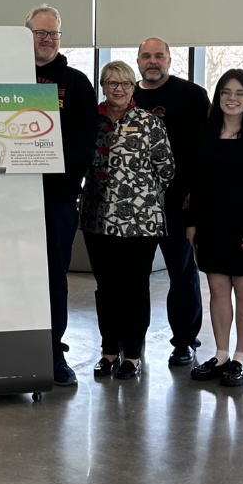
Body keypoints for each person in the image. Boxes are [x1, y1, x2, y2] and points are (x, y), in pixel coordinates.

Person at [81, 60, 175, 380]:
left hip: (140, 223)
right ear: (103, 86)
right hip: (97, 220)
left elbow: (167, 171)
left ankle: (133, 354)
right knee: (106, 288)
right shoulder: (89, 122)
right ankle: (108, 352)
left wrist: (137, 194)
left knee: (134, 288)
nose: (118, 89)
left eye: (125, 84)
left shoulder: (150, 124)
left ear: (133, 87)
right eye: (111, 83)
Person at [187, 69, 243, 387]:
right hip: (212, 225)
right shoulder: (205, 132)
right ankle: (221, 355)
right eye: (226, 92)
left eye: (240, 93)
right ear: (218, 96)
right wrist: (192, 222)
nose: (233, 98)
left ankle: (241, 357)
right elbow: (196, 182)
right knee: (217, 291)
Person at [28, 4, 100, 386]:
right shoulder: (4, 78)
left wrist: (60, 176)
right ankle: (7, 350)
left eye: (53, 33)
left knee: (55, 277)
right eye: (41, 33)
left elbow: (84, 142)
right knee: (11, 275)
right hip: (8, 199)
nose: (47, 40)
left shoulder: (76, 83)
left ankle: (54, 353)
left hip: (56, 200)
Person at [131, 37, 210, 366]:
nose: (153, 61)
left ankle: (185, 340)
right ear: (137, 60)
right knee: (133, 278)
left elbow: (207, 148)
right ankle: (133, 341)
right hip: (133, 208)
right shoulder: (126, 95)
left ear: (169, 60)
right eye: (146, 56)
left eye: (158, 56)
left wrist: (197, 190)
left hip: (178, 203)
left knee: (182, 274)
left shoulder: (192, 96)